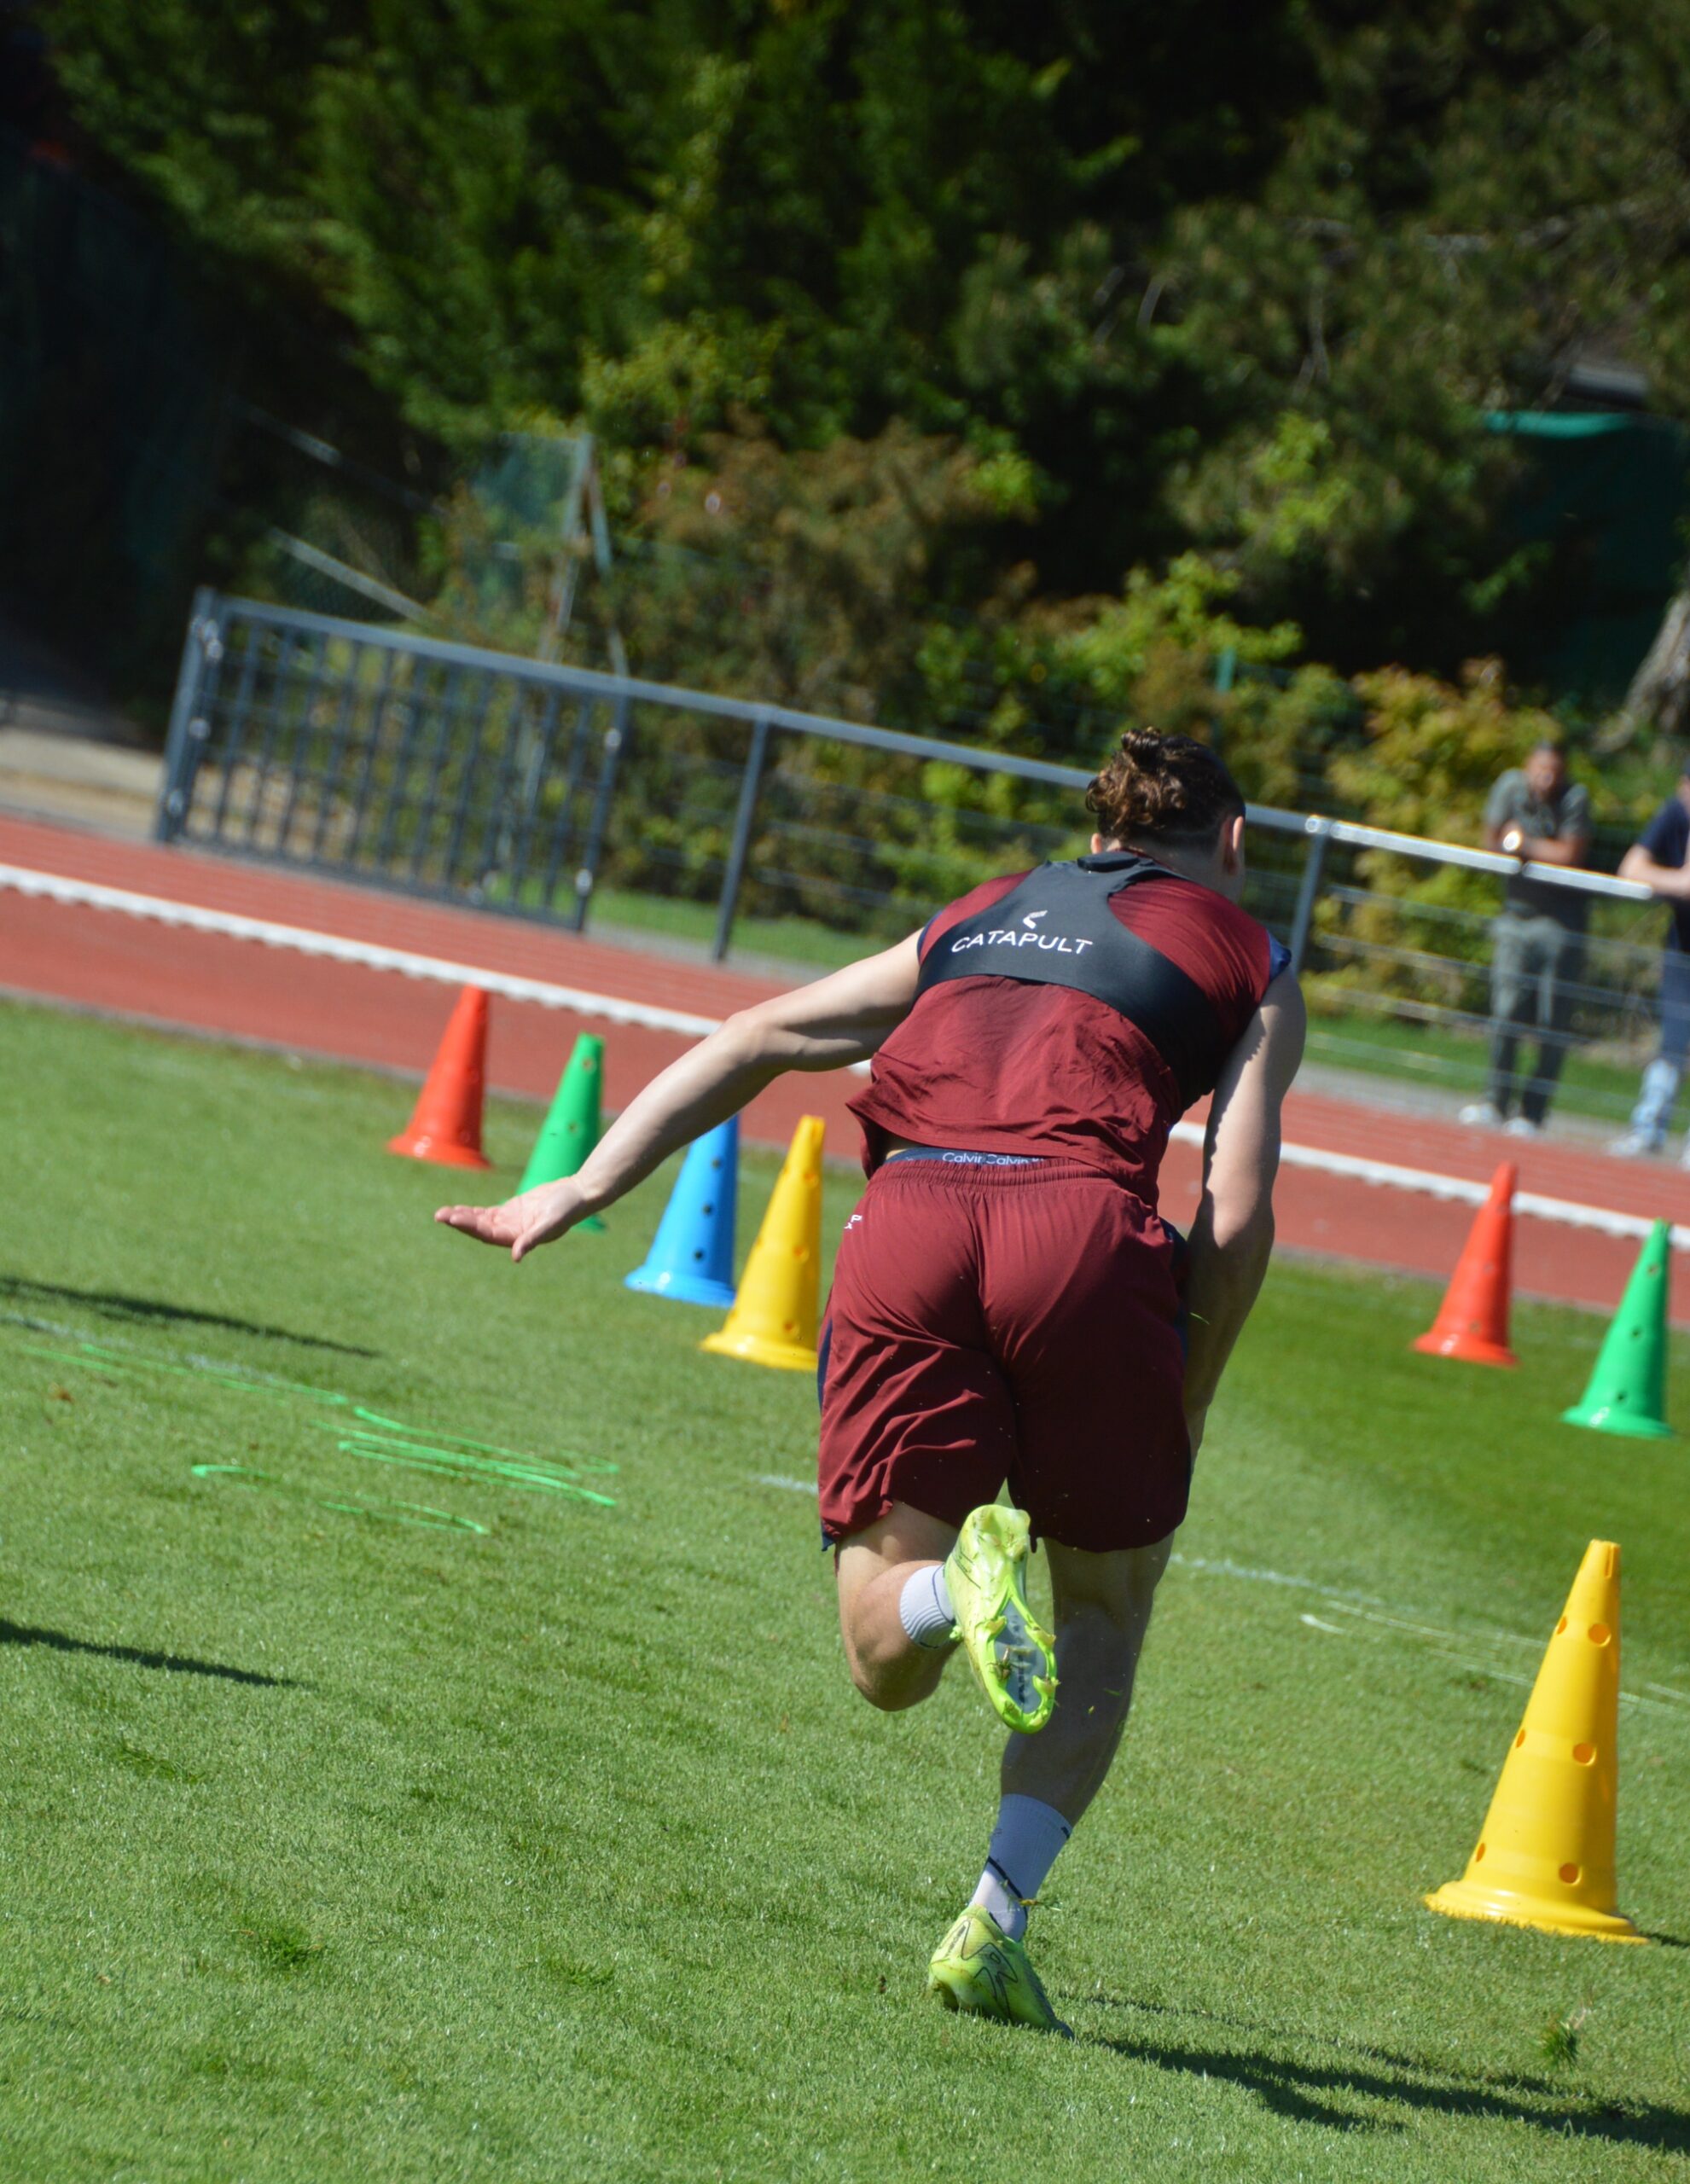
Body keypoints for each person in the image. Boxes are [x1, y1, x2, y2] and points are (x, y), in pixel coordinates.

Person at [436, 729, 1305, 2036]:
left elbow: (761, 1032)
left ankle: (952, 1593)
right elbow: (1233, 1209)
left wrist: (581, 1183)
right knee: (1104, 1615)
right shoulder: (1253, 956)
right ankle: (993, 1920)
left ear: (1098, 831)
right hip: (1081, 1234)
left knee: (880, 1657)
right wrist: (1189, 1390)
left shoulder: (985, 910)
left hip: (907, 1224)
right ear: (1232, 844)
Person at [1458, 737, 1592, 1136]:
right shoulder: (1510, 787)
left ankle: (1532, 1112)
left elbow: (1570, 855)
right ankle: (1495, 1101)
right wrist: (1520, 845)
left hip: (1561, 922)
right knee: (1505, 1008)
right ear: (1528, 766)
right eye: (1540, 770)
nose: (1546, 779)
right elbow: (1491, 841)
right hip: (1515, 916)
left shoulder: (1575, 799)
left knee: (1552, 1020)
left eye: (1554, 772)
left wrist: (1524, 844)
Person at [1610, 766, 1690, 1160]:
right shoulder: (1674, 813)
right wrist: (1681, 883)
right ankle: (1648, 1129)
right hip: (1683, 950)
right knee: (1672, 1042)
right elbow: (1631, 868)